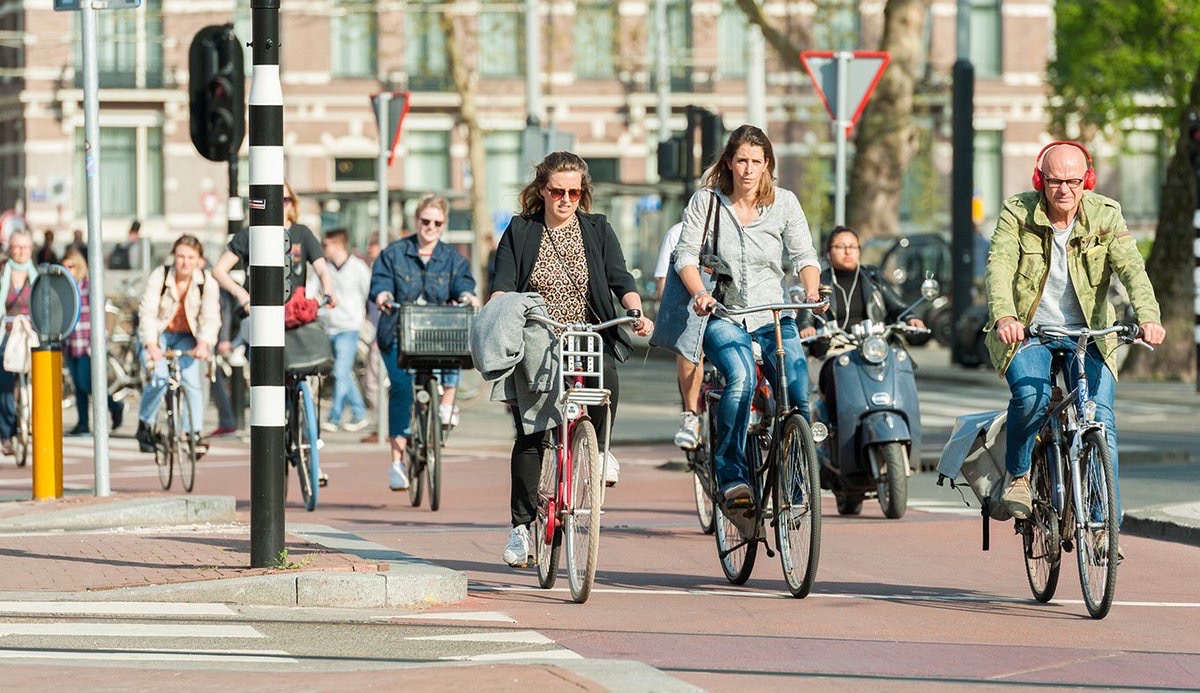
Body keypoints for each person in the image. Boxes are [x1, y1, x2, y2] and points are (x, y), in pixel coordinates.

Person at [984, 141, 1165, 551]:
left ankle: (1102, 525)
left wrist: (1149, 317)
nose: (1063, 189)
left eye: (1072, 180)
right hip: (1030, 331)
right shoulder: (1017, 211)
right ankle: (1020, 476)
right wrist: (1005, 317)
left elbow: (1131, 268)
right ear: (1039, 180)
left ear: (1087, 179)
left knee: (1100, 418)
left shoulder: (1105, 213)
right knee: (1031, 397)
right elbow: (999, 264)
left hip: (1089, 332)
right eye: (1054, 181)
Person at [490, 151, 654, 568]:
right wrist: (499, 313)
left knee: (606, 379)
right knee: (532, 429)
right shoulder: (522, 230)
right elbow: (503, 285)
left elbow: (620, 278)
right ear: (542, 191)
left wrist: (634, 311)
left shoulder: (597, 229)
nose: (566, 199)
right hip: (537, 333)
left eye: (574, 193)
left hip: (586, 327)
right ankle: (520, 529)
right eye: (557, 191)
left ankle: (597, 451)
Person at [677, 124, 822, 510]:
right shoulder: (706, 202)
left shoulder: (785, 204)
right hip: (723, 313)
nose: (748, 169)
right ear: (729, 162)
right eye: (741, 160)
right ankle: (733, 476)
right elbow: (685, 257)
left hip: (772, 313)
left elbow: (805, 256)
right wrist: (701, 294)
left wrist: (811, 291)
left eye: (756, 161)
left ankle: (794, 485)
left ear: (767, 165)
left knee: (795, 387)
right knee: (740, 379)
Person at [370, 194, 478, 491]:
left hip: (435, 336)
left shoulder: (453, 259)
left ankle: (446, 404)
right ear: (416, 221)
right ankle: (396, 462)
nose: (430, 227)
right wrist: (381, 295)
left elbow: (463, 284)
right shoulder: (394, 254)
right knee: (402, 389)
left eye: (437, 222)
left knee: (458, 343)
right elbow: (380, 283)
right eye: (425, 221)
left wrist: (467, 295)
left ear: (444, 225)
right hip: (398, 334)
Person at [799, 225, 925, 415]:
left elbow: (898, 307)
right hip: (833, 348)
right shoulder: (818, 281)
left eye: (853, 246)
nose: (848, 251)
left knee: (900, 367)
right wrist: (806, 327)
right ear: (828, 252)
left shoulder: (872, 278)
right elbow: (806, 314)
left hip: (872, 345)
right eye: (840, 247)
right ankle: (835, 425)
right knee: (836, 374)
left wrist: (911, 318)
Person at [134, 235, 222, 453]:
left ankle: (194, 433)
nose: (185, 262)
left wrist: (204, 343)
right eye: (181, 256)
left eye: (191, 257)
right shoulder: (160, 276)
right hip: (160, 333)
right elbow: (147, 311)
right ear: (174, 256)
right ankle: (145, 425)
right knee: (159, 378)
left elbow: (211, 316)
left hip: (187, 336)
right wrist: (152, 345)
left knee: (192, 381)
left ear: (199, 259)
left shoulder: (206, 282)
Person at [211, 181, 338, 320]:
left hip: (292, 314)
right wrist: (243, 297)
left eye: (285, 200)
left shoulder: (302, 233)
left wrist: (328, 290)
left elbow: (322, 269)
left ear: (292, 204)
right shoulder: (251, 233)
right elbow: (218, 270)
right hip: (257, 313)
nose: (280, 205)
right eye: (275, 200)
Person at [653, 220, 704, 451]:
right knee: (689, 342)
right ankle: (691, 415)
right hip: (692, 309)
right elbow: (663, 283)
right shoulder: (678, 232)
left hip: (726, 310)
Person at [61, 250, 123, 435]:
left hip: (87, 344)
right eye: (64, 266)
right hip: (70, 343)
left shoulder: (88, 286)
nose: (67, 270)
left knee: (88, 383)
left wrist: (98, 343)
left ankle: (114, 405)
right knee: (78, 386)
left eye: (70, 266)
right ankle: (82, 423)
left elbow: (100, 316)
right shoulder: (64, 287)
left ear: (79, 266)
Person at [319, 228, 371, 433]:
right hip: (328, 327)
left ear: (338, 244)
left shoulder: (357, 268)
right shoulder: (324, 268)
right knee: (343, 374)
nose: (323, 248)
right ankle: (359, 413)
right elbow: (313, 290)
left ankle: (334, 416)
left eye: (326, 244)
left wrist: (363, 318)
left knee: (340, 372)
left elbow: (370, 293)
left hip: (349, 327)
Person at [0, 230, 36, 455]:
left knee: (40, 376)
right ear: (10, 248)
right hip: (7, 330)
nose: (21, 252)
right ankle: (7, 433)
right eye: (17, 247)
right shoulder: (4, 272)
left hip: (30, 331)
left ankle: (33, 421)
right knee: (4, 382)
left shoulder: (37, 274)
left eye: (26, 247)